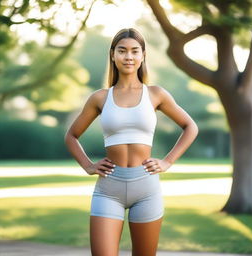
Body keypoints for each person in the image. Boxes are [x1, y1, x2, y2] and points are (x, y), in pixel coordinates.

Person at [65, 27, 198, 256]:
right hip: (108, 189)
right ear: (113, 55)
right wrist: (88, 165)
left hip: (146, 189)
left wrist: (167, 161)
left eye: (135, 51)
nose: (128, 56)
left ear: (143, 55)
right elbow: (72, 135)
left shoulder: (156, 94)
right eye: (122, 51)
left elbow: (190, 127)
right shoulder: (100, 97)